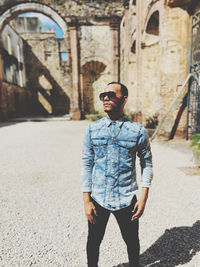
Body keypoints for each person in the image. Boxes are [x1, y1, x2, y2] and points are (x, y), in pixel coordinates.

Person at [81, 82, 153, 267]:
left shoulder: (137, 131)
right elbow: (87, 163)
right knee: (93, 242)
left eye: (111, 94)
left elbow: (147, 164)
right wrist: (86, 200)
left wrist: (143, 197)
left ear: (124, 99)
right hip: (98, 197)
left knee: (132, 242)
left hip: (127, 198)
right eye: (103, 94)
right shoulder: (92, 130)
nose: (106, 97)